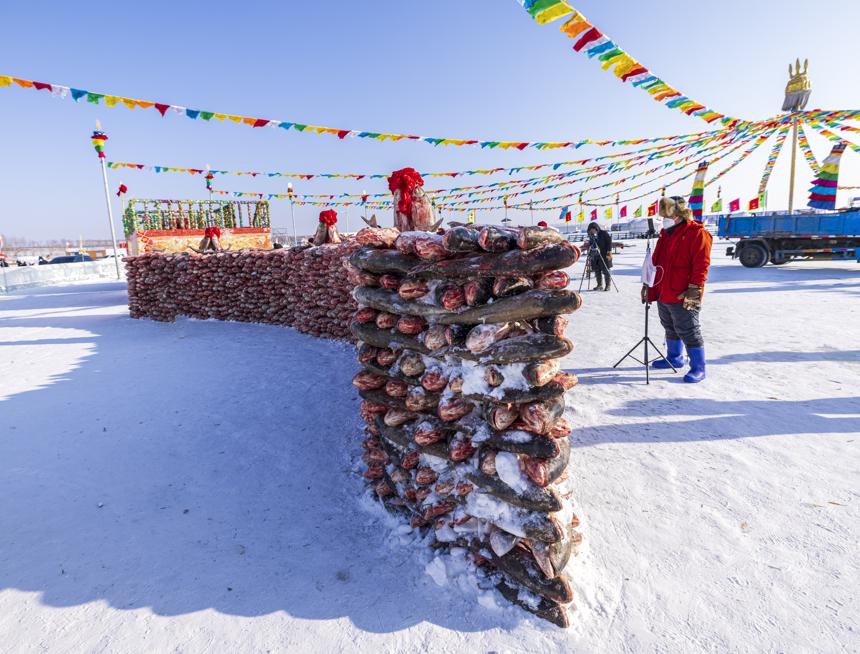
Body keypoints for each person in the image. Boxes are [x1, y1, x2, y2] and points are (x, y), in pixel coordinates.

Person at [641, 196, 713, 383]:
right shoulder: (666, 235)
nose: (663, 219)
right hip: (664, 290)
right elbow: (656, 263)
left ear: (679, 214)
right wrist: (649, 285)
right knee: (670, 327)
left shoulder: (697, 233)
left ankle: (699, 368)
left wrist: (693, 292)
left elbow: (701, 266)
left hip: (684, 292)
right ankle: (674, 358)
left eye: (667, 215)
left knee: (689, 329)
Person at [586, 221, 612, 291]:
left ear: (595, 228)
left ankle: (608, 285)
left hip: (604, 254)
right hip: (595, 255)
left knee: (606, 270)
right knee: (597, 270)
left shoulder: (603, 233)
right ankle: (599, 285)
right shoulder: (592, 236)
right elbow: (591, 243)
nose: (591, 231)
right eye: (590, 230)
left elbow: (609, 242)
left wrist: (609, 251)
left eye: (592, 230)